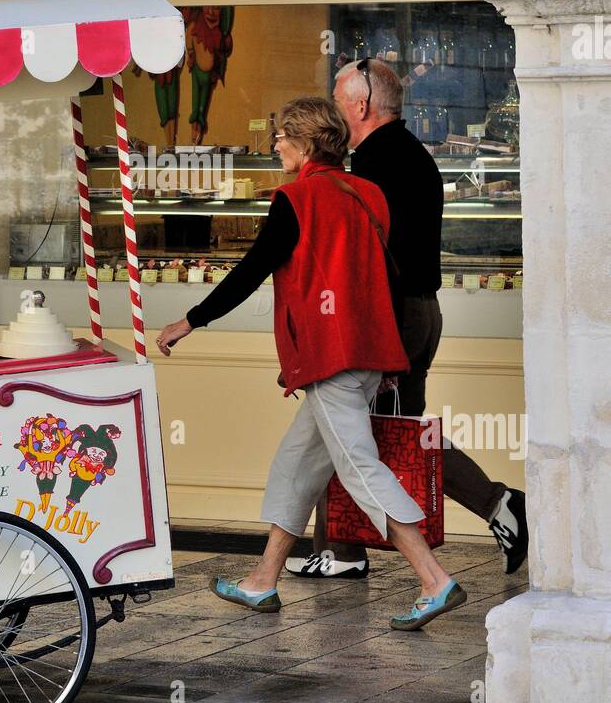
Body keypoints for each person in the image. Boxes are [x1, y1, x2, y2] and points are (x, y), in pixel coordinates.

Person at [157, 95, 467, 629]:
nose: (275, 144)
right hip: (366, 354)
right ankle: (262, 581)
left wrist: (191, 320)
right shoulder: (369, 194)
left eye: (281, 137)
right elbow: (385, 277)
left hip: (331, 358)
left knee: (360, 468)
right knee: (298, 466)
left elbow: (252, 269)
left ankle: (434, 580)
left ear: (303, 145)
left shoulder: (296, 199)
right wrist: (388, 353)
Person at [285, 59, 527, 581]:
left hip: (389, 318)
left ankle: (497, 503)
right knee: (371, 430)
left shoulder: (373, 164)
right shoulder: (408, 155)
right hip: (414, 311)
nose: (332, 107)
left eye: (337, 97)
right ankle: (344, 548)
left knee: (377, 433)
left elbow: (364, 259)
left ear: (361, 105)